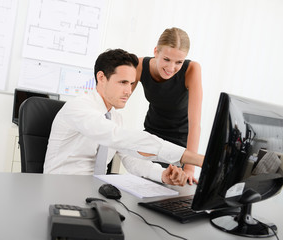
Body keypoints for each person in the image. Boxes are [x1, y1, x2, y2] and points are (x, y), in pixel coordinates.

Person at [44, 48, 204, 186]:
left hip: (94, 193)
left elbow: (132, 159)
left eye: (131, 83)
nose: (128, 91)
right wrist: (192, 158)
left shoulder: (115, 118)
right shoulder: (78, 107)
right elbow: (117, 136)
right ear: (101, 78)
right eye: (123, 82)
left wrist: (163, 175)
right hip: (60, 189)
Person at [133, 27, 203, 185]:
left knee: (169, 191)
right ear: (156, 51)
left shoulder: (192, 69)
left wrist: (190, 169)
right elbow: (118, 100)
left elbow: (195, 125)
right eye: (166, 59)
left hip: (179, 144)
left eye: (179, 62)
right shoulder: (140, 65)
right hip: (151, 137)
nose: (171, 68)